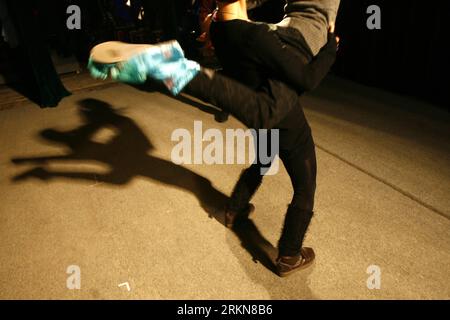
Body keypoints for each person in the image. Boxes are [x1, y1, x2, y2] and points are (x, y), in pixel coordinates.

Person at [88, 0, 339, 277]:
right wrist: (331, 47)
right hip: (288, 124)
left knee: (263, 160)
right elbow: (307, 79)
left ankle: (234, 210)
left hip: (266, 87)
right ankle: (290, 255)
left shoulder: (222, 30)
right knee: (305, 185)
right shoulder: (258, 35)